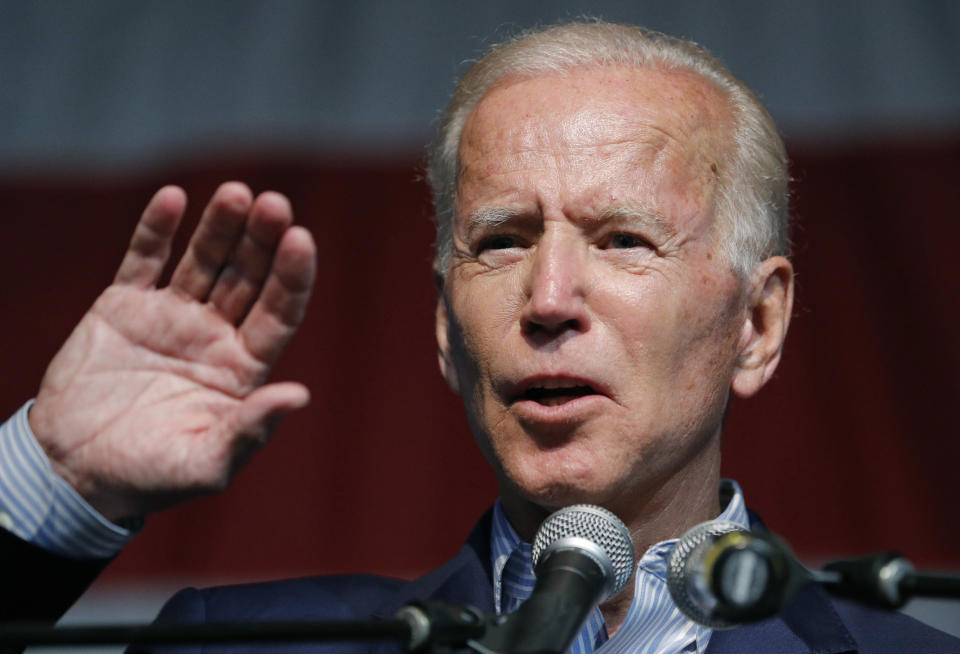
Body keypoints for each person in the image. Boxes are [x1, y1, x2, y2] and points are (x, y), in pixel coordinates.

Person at [1, 20, 957, 653]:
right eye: (500, 242)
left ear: (758, 323)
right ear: (444, 329)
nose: (547, 298)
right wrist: (55, 485)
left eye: (623, 241)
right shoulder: (247, 643)